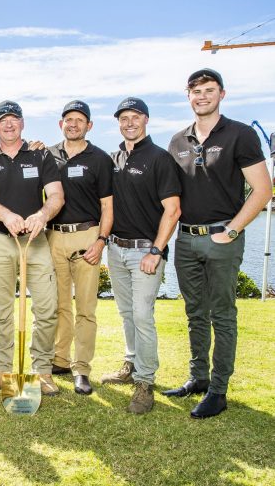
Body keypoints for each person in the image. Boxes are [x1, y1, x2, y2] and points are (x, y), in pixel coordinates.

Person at [163, 69, 272, 418]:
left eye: (209, 90)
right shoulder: (177, 141)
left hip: (221, 238)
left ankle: (218, 390)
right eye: (196, 91)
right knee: (195, 313)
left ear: (222, 94)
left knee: (221, 315)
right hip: (186, 240)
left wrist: (233, 231)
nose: (202, 96)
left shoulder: (239, 134)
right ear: (188, 95)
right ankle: (197, 378)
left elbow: (263, 190)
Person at [0, 100, 64, 395]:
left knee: (47, 308)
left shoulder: (40, 155)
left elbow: (56, 196)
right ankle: (2, 370)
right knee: (1, 309)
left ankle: (43, 371)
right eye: (3, 120)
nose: (9, 124)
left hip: (35, 242)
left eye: (14, 119)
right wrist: (6, 215)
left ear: (22, 123)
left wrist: (41, 215)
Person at [100, 97, 181, 415]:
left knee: (143, 316)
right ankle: (131, 365)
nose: (129, 122)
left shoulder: (160, 159)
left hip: (145, 251)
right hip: (116, 248)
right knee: (126, 313)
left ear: (146, 119)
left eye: (135, 117)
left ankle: (145, 382)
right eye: (123, 118)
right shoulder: (113, 158)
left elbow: (172, 210)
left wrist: (156, 250)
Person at [46, 101, 114, 395]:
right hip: (53, 238)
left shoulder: (99, 159)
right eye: (68, 119)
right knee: (58, 305)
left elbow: (108, 206)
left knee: (85, 308)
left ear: (89, 125)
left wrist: (101, 241)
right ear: (61, 124)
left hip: (88, 236)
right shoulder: (47, 155)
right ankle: (60, 359)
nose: (73, 124)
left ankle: (81, 368)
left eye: (79, 120)